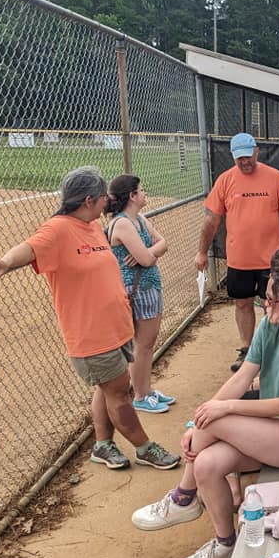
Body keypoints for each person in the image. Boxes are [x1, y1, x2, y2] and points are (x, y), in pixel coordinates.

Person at [131, 263, 279, 558]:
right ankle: (224, 543)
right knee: (205, 464)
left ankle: (183, 497)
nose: (264, 303)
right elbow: (243, 377)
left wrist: (218, 412)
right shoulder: (272, 325)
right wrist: (197, 422)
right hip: (270, 429)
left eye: (270, 299)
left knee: (218, 419)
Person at [0, 166, 180, 471]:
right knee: (119, 394)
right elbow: (31, 247)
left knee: (107, 388)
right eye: (103, 198)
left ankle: (102, 445)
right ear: (89, 200)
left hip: (116, 326)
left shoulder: (94, 226)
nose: (107, 204)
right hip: (91, 334)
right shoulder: (59, 228)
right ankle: (145, 448)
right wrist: (5, 260)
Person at [195, 132, 279, 372]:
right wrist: (202, 252)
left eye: (247, 157)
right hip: (239, 260)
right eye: (239, 159)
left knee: (274, 303)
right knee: (242, 303)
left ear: (256, 151)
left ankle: (273, 350)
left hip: (270, 260)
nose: (244, 162)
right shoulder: (225, 180)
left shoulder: (275, 177)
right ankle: (247, 349)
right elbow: (212, 220)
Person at [105, 174, 175, 414]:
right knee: (142, 345)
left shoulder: (140, 220)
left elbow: (163, 243)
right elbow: (146, 259)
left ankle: (146, 389)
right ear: (132, 196)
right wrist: (149, 253)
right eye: (141, 190)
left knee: (148, 343)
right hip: (136, 290)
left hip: (149, 287)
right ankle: (141, 395)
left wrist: (149, 252)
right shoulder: (122, 223)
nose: (145, 193)